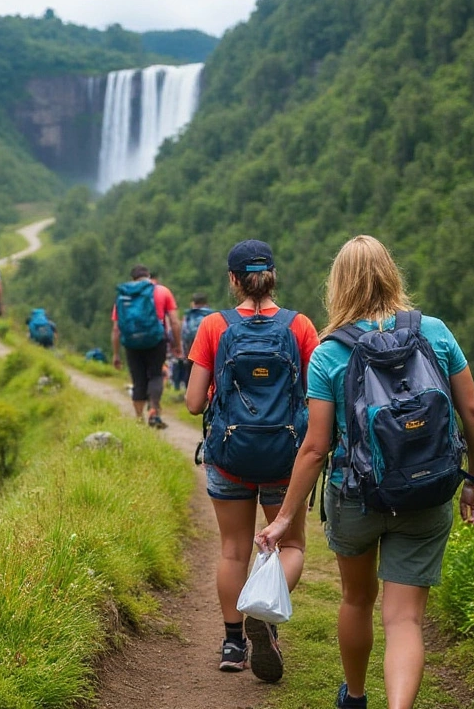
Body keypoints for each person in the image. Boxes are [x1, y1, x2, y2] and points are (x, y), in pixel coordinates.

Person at [255, 235, 474, 709]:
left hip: (355, 495)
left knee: (357, 600)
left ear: (338, 285)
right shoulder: (436, 333)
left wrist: (283, 518)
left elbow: (316, 447)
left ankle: (356, 697)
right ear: (392, 274)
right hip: (426, 492)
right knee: (404, 620)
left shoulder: (329, 353)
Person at [185, 239, 319, 682]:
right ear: (273, 276)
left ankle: (232, 642)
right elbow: (317, 397)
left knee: (233, 549)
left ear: (233, 280)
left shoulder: (213, 326)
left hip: (229, 457)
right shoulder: (299, 326)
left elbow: (190, 403)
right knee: (292, 546)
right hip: (286, 458)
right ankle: (264, 614)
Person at [112, 264, 181, 429]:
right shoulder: (162, 291)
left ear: (132, 279)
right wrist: (177, 345)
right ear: (149, 277)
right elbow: (174, 321)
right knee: (156, 375)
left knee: (138, 380)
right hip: (156, 341)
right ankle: (154, 410)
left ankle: (138, 419)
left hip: (131, 343)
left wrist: (116, 354)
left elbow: (116, 329)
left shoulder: (123, 295)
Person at [174, 292, 213, 391]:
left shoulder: (188, 315)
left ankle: (190, 396)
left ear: (193, 303)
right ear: (206, 303)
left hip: (191, 351)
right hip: (209, 352)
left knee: (191, 373)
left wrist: (185, 352)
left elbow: (184, 334)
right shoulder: (212, 315)